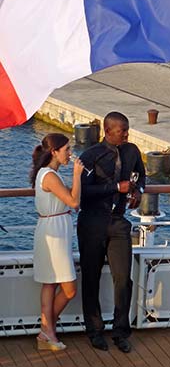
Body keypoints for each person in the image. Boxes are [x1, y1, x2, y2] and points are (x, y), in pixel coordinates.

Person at [77, 111, 145, 353]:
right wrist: (116, 187)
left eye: (127, 130)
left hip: (118, 222)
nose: (127, 134)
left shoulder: (132, 151)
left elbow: (141, 177)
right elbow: (83, 192)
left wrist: (138, 192)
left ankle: (120, 330)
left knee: (123, 278)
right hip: (92, 222)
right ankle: (94, 331)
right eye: (122, 131)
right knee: (91, 277)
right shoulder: (90, 156)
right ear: (108, 131)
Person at [30, 133, 84, 351]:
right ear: (54, 152)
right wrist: (77, 174)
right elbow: (73, 202)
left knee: (50, 283)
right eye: (66, 150)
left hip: (54, 230)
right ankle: (47, 329)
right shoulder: (50, 176)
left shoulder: (48, 174)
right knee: (69, 288)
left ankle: (47, 332)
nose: (69, 154)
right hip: (53, 233)